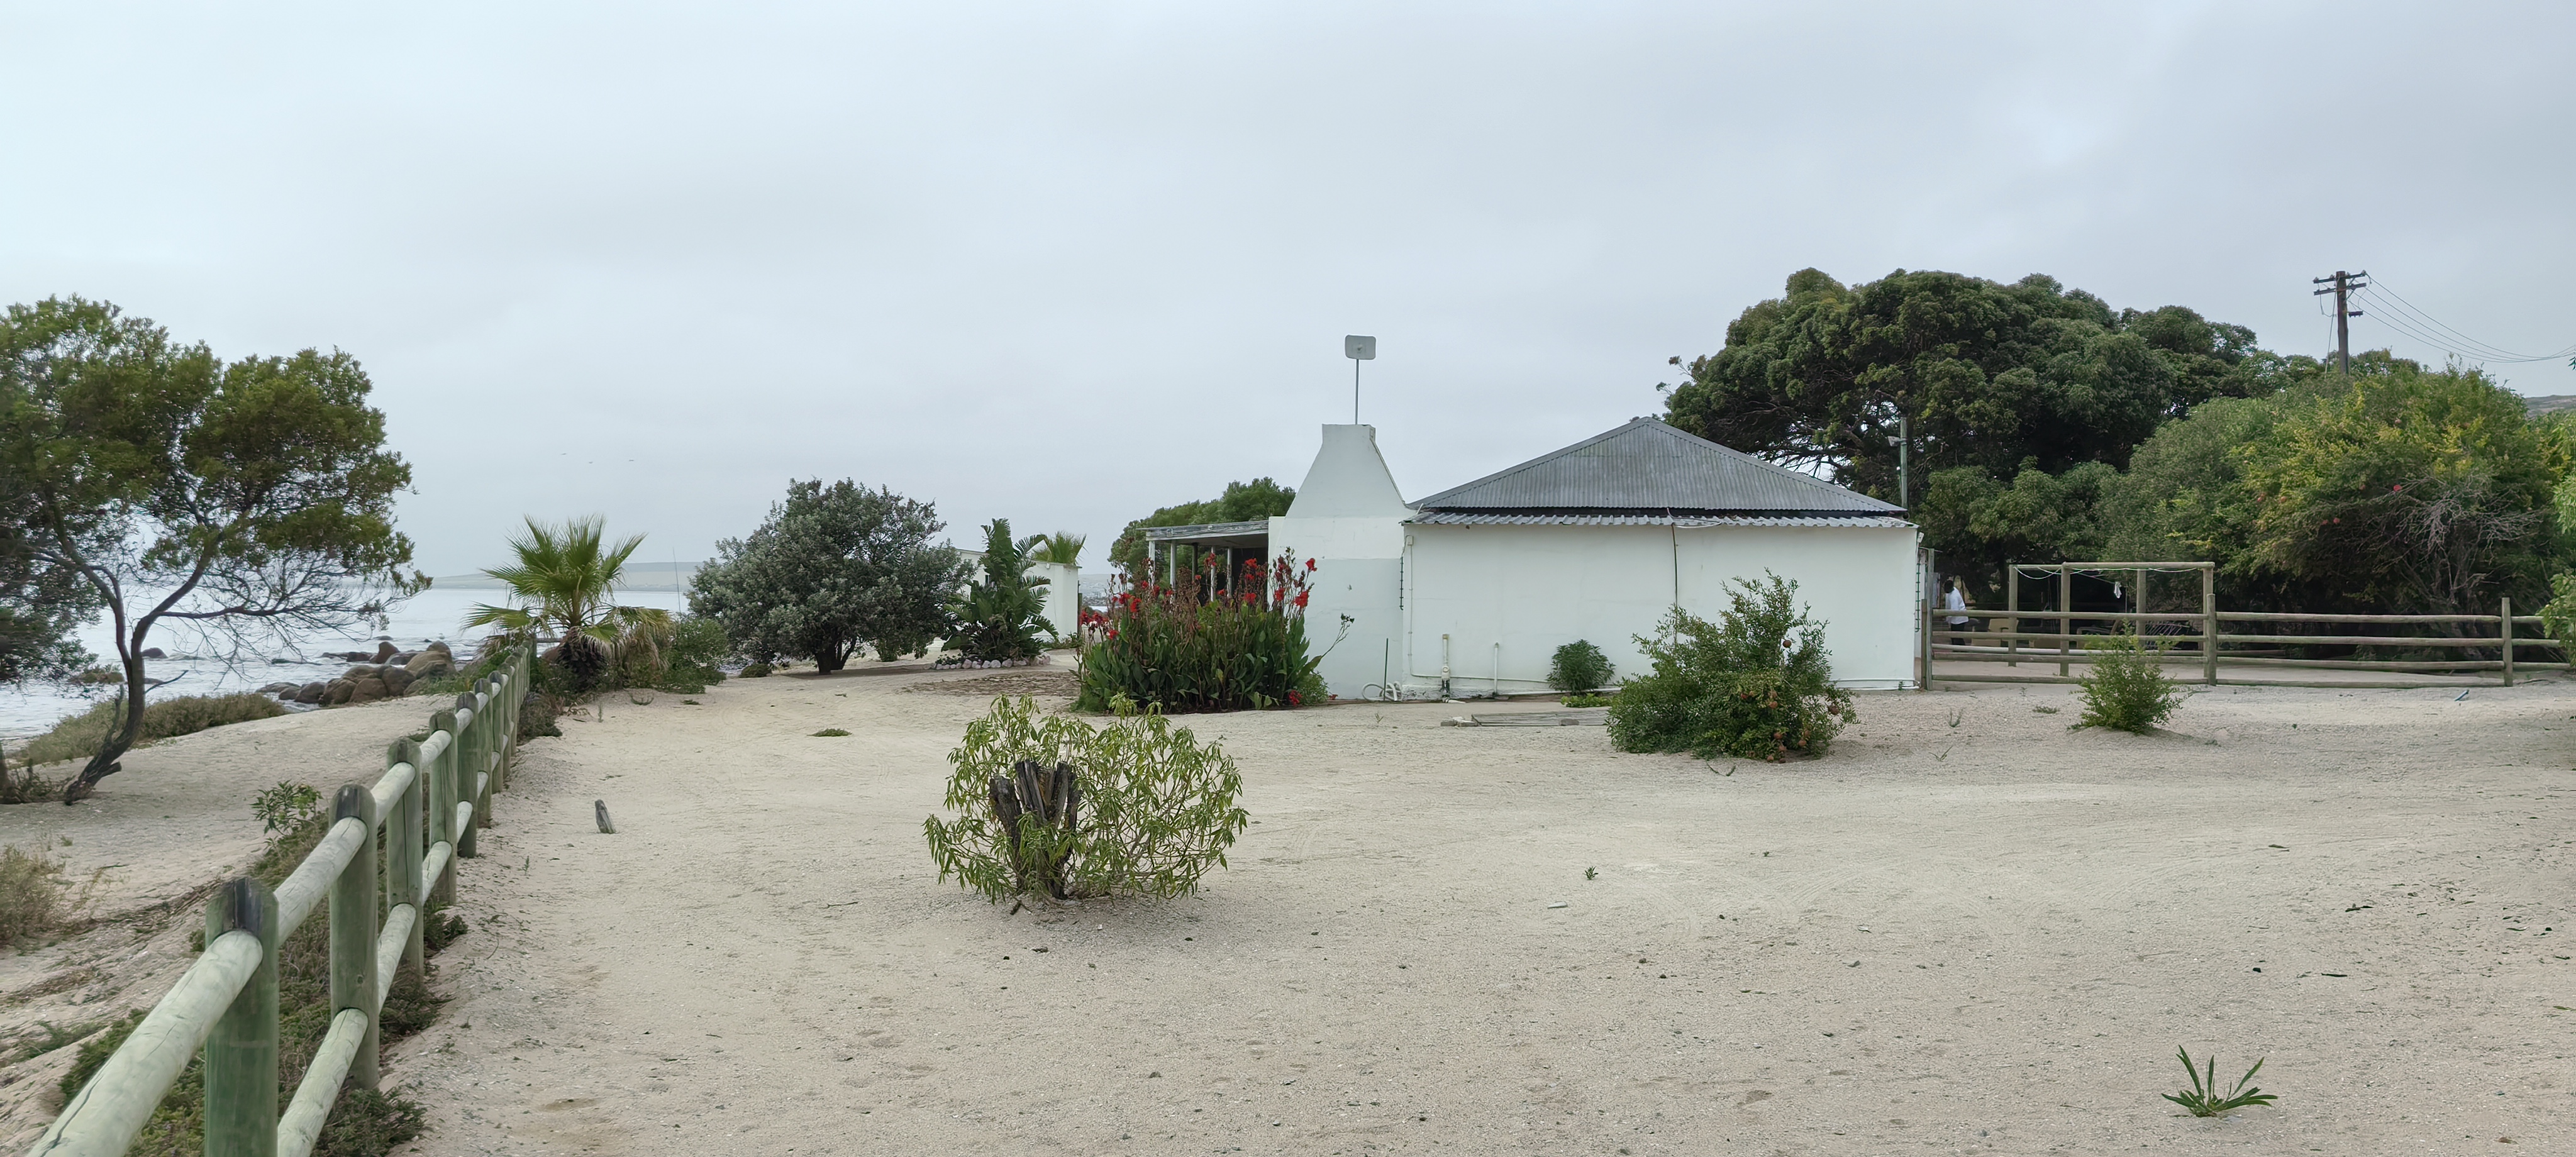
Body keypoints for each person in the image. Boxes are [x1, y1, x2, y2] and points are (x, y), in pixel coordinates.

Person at [1942, 577, 1971, 646]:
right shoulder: (1951, 592)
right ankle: (1957, 649)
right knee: (1954, 636)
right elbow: (1948, 605)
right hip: (1955, 618)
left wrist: (1948, 619)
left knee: (1957, 637)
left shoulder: (1954, 596)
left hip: (1959, 618)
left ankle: (1960, 650)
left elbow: (1954, 611)